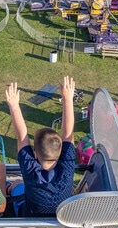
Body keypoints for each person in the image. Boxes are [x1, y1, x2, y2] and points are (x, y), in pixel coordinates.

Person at [5, 77, 76, 217]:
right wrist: (67, 99)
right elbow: (68, 134)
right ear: (61, 151)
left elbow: (21, 137)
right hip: (59, 217)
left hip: (29, 216)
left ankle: (7, 188)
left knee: (18, 184)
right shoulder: (67, 168)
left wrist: (13, 105)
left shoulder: (31, 170)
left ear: (35, 154)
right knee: (20, 185)